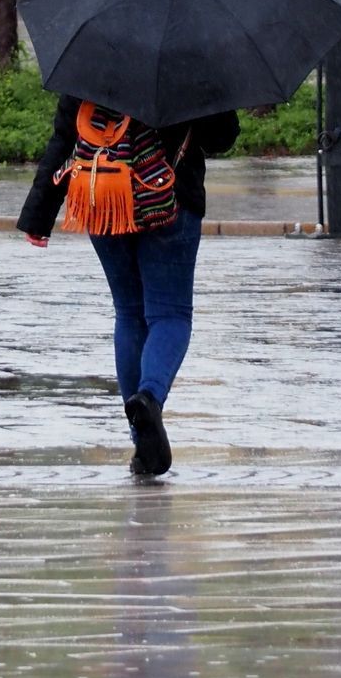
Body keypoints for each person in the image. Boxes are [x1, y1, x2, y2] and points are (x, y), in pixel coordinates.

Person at [18, 97, 240, 478]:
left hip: (103, 197)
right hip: (168, 200)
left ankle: (143, 445)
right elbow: (220, 136)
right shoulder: (185, 59)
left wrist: (39, 215)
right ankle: (149, 397)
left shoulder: (91, 54)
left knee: (129, 314)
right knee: (169, 314)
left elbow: (64, 136)